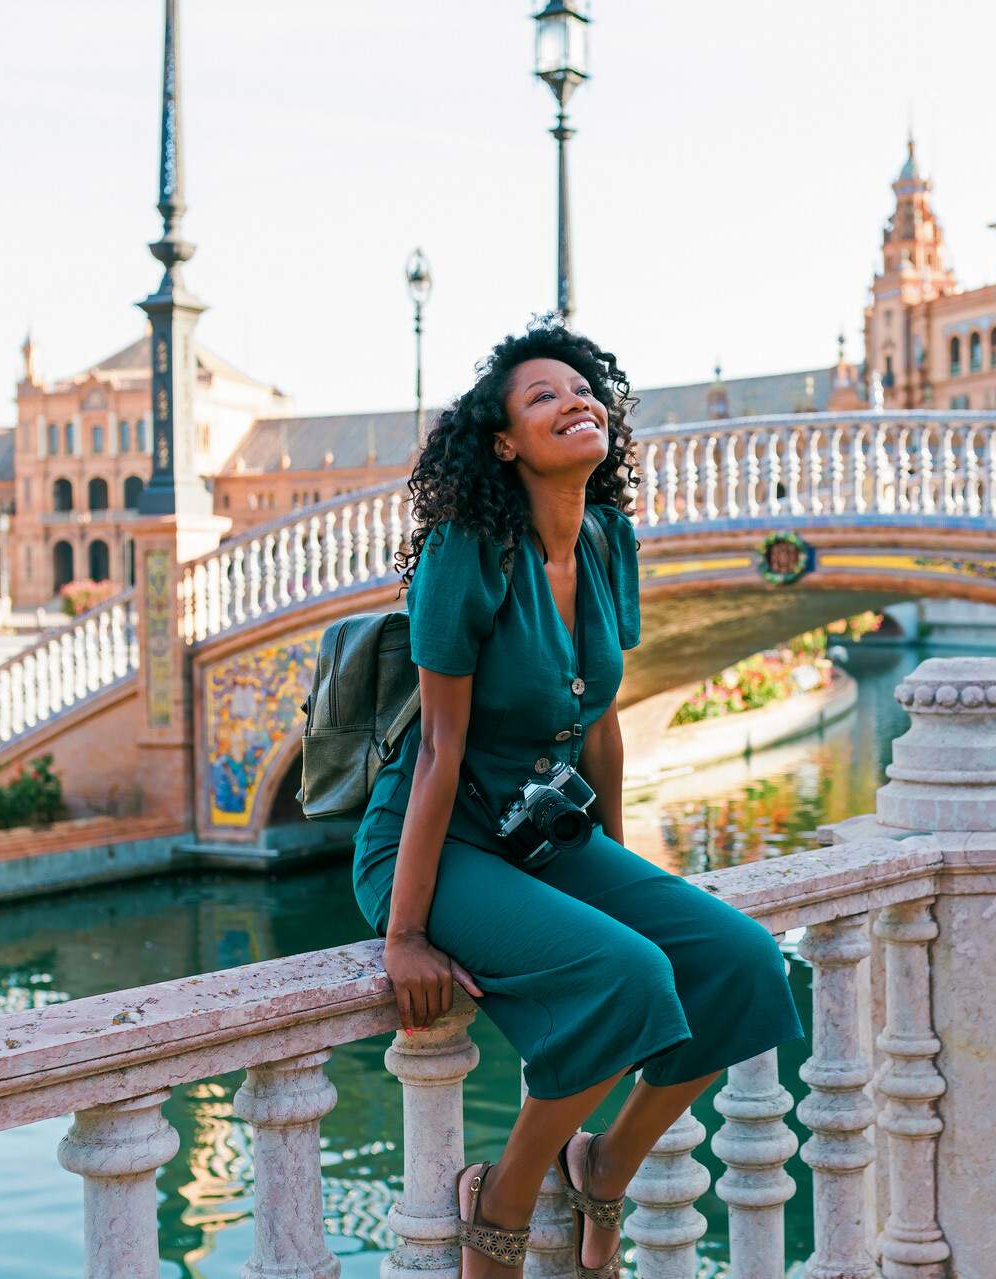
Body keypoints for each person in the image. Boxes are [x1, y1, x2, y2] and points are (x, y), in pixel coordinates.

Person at [352, 320, 804, 1277]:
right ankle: (500, 1206)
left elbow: (601, 722)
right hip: (436, 844)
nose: (575, 400)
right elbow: (437, 750)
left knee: (743, 963)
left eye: (583, 387)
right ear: (505, 442)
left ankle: (602, 1165)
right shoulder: (465, 548)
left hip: (549, 835)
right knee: (628, 976)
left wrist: (618, 860)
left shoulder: (606, 539)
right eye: (543, 395)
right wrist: (403, 933)